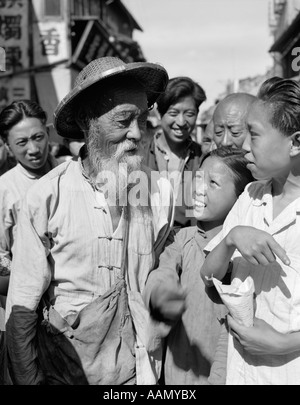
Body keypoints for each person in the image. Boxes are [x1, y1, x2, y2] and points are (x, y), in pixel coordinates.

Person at [5, 56, 174, 385]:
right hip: (63, 373)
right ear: (87, 120)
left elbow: (160, 268)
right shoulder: (45, 197)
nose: (137, 133)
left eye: (142, 119)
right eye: (123, 120)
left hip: (137, 373)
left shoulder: (160, 192)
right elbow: (22, 304)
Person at [200, 77, 300, 385]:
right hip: (240, 370)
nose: (242, 146)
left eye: (253, 135)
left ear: (295, 142)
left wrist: (286, 343)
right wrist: (231, 239)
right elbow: (208, 275)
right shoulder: (251, 196)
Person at [143, 146, 254, 385]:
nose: (199, 189)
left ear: (241, 197)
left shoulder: (244, 252)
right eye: (198, 178)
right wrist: (162, 293)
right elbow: (162, 272)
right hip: (177, 376)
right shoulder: (181, 238)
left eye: (212, 183)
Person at [0, 99, 57, 385]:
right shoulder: (5, 190)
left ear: (48, 132)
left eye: (38, 137)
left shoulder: (68, 175)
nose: (33, 149)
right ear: (7, 146)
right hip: (22, 320)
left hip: (68, 320)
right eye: (21, 142)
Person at [144, 76, 206, 229]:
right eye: (173, 113)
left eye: (189, 114)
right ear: (161, 113)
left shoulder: (202, 158)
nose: (181, 122)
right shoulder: (139, 154)